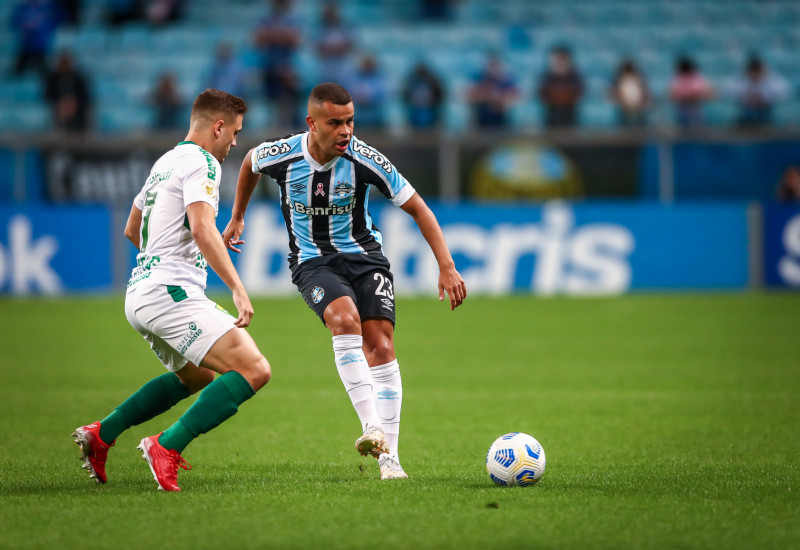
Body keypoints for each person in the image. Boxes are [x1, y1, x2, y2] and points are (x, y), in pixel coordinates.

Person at [222, 83, 466, 480]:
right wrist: (237, 215)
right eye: (335, 123)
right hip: (313, 261)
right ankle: (371, 427)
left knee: (382, 347)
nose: (346, 131)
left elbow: (419, 208)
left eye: (350, 121)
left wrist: (447, 265)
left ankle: (391, 460)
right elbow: (249, 161)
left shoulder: (366, 160)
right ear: (311, 123)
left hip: (366, 258)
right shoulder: (282, 154)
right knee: (344, 321)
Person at [72, 89, 271, 492]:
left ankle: (102, 433)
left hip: (141, 291)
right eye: (234, 132)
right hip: (169, 291)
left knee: (198, 377)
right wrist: (237, 288)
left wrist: (161, 261)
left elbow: (133, 228)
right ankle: (166, 445)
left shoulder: (165, 161)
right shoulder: (204, 163)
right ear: (218, 127)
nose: (235, 142)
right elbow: (201, 228)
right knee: (254, 369)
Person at [253, 0, 302, 127]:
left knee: (287, 97)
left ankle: (287, 125)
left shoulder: (292, 19)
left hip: (287, 65)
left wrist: (272, 35)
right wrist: (282, 36)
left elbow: (295, 39)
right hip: (269, 65)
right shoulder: (266, 19)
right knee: (270, 98)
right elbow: (258, 39)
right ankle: (273, 126)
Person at [730, 55, 789, 128]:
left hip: (767, 108)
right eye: (753, 71)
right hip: (747, 109)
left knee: (767, 114)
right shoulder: (741, 79)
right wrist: (747, 98)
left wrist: (765, 98)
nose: (755, 74)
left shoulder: (772, 79)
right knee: (747, 113)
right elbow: (732, 93)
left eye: (758, 71)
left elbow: (783, 93)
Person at [10, 0, 65, 76]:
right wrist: (25, 26)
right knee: (16, 75)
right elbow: (14, 22)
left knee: (44, 74)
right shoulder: (23, 8)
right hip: (26, 47)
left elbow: (60, 18)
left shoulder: (49, 7)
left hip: (42, 47)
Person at [467, 53, 518, 129]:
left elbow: (516, 95)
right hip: (482, 113)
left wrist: (501, 99)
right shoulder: (478, 78)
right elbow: (468, 94)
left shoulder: (506, 79)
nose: (493, 68)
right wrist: (488, 96)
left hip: (501, 113)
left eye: (495, 64)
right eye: (491, 64)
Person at [44, 51, 92, 132]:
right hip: (57, 107)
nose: (65, 66)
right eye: (63, 63)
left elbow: (85, 96)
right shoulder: (52, 78)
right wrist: (61, 102)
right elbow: (48, 94)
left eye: (67, 63)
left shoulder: (78, 78)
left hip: (77, 109)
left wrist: (73, 102)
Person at [537, 45, 584, 129]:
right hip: (551, 114)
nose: (558, 62)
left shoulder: (574, 77)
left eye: (561, 59)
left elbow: (578, 93)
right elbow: (541, 94)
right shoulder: (546, 77)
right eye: (556, 59)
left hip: (569, 113)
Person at [314, 2, 354, 84]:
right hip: (325, 66)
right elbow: (318, 48)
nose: (331, 15)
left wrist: (329, 48)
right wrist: (336, 48)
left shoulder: (345, 27)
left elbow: (349, 46)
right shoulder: (318, 27)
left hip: (342, 65)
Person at [669, 56, 713, 129]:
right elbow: (672, 95)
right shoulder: (678, 78)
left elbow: (708, 93)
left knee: (697, 126)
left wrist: (692, 95)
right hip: (683, 108)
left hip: (696, 108)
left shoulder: (697, 78)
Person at [401, 61, 445, 129]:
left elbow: (440, 95)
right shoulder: (412, 80)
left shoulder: (432, 80)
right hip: (415, 111)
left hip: (429, 110)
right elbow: (405, 95)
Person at [347, 55, 387, 129]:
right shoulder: (352, 77)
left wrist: (369, 98)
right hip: (357, 115)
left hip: (375, 115)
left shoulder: (379, 78)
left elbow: (382, 94)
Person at [609, 59, 650, 127]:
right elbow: (614, 95)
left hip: (638, 108)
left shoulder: (639, 81)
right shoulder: (619, 81)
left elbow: (645, 96)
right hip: (624, 109)